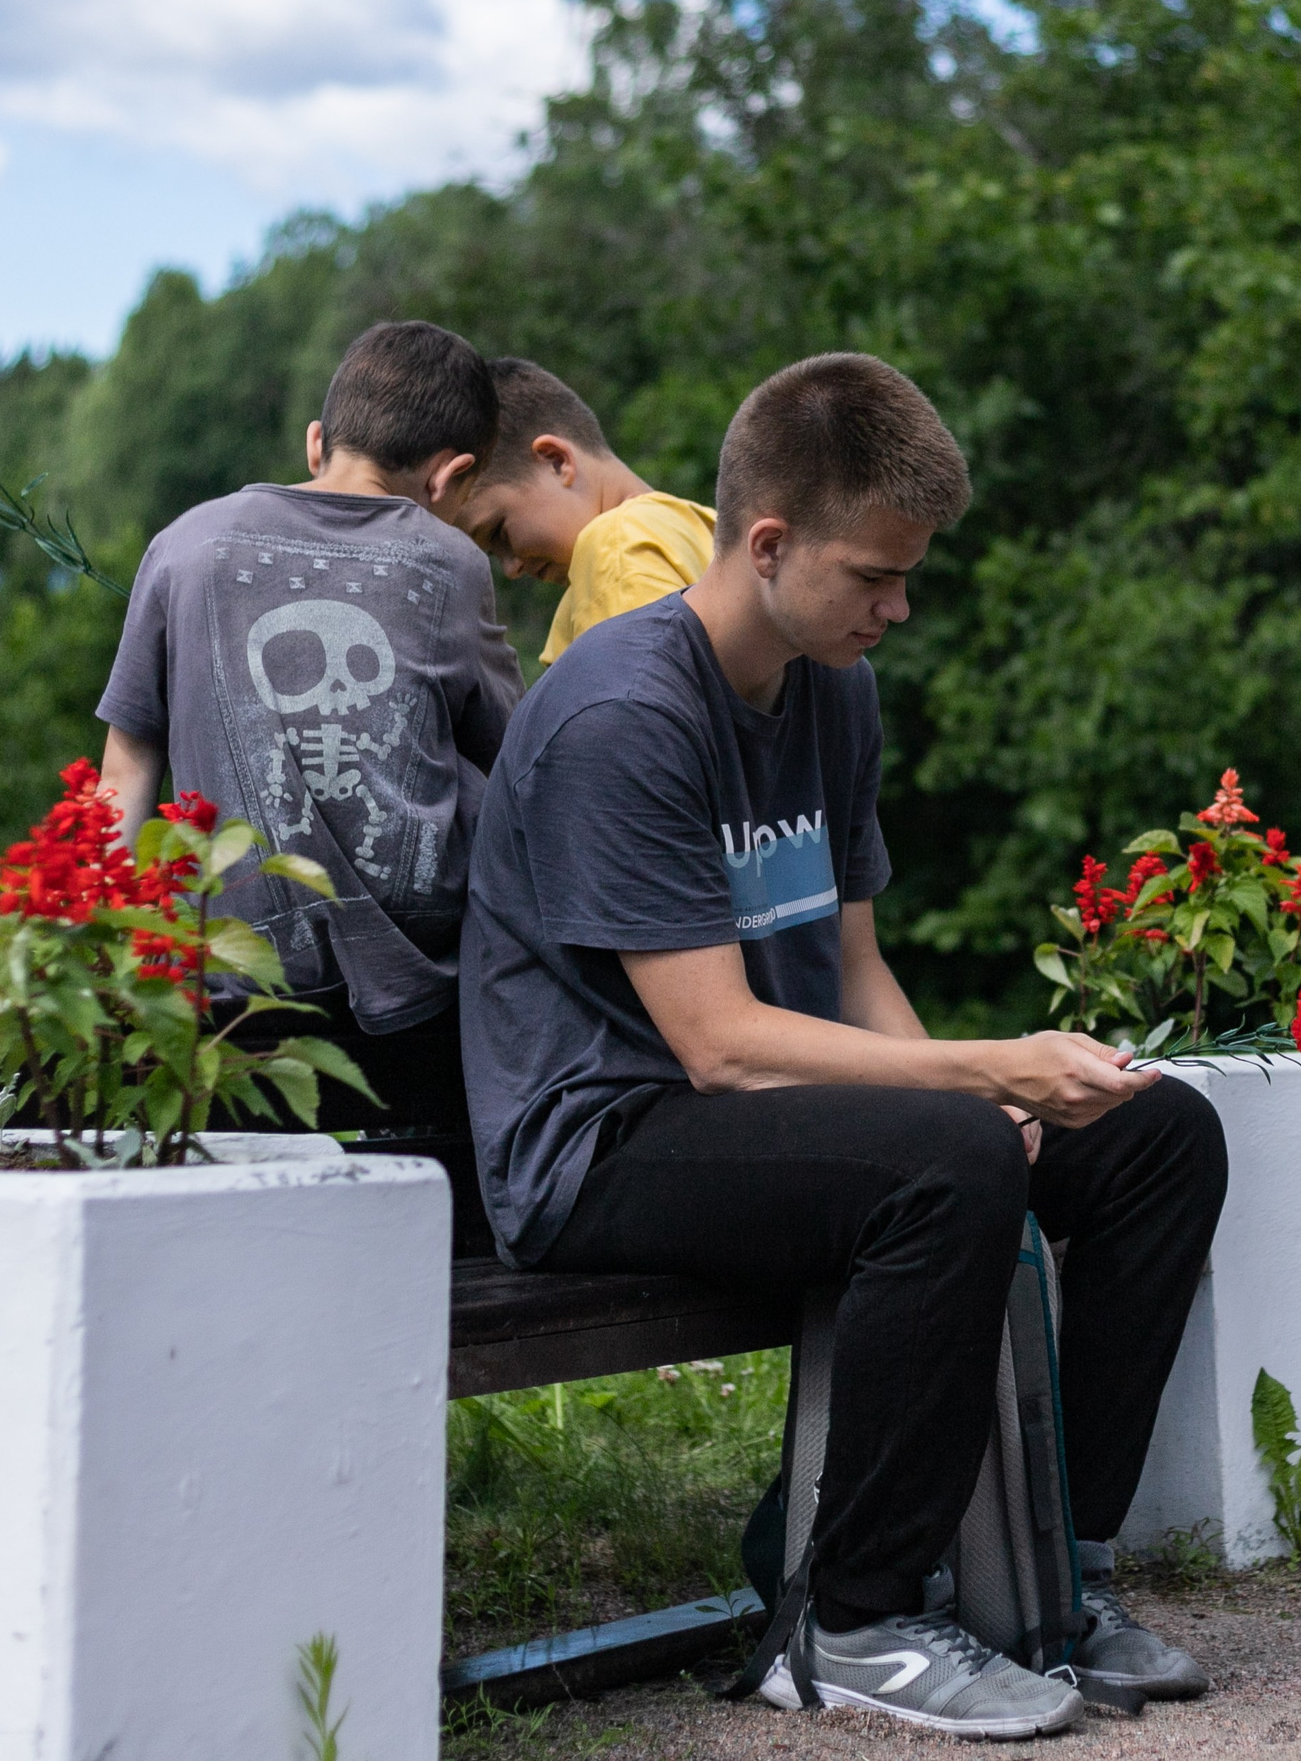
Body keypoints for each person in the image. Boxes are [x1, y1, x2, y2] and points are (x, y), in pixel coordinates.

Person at [460, 352, 1225, 1738]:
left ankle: (1052, 1577)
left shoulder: (832, 690)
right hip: (602, 1138)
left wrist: (1008, 1113)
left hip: (765, 1104)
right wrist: (984, 1080)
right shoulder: (629, 711)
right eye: (876, 574)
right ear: (769, 543)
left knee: (1153, 1136)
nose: (900, 605)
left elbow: (852, 971)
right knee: (944, 1152)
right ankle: (855, 1622)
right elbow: (719, 1045)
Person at [95, 321, 523, 1104]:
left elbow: (125, 771)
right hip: (426, 990)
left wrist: (102, 952)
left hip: (229, 980)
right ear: (449, 477)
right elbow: (513, 756)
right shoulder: (449, 560)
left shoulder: (188, 543)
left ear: (316, 440)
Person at [437, 357, 716, 663]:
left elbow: (636, 705)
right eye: (493, 553)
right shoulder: (704, 527)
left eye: (499, 532)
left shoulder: (617, 550)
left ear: (557, 461)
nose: (511, 568)